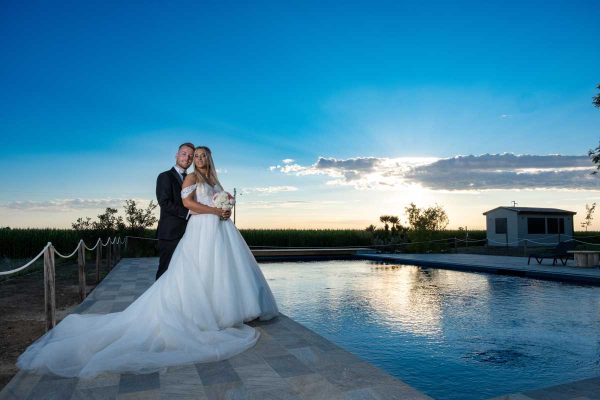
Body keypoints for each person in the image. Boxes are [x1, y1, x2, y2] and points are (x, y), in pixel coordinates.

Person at [16, 146, 279, 378]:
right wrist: (213, 210)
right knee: (187, 272)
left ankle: (222, 309)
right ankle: (183, 313)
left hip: (218, 230)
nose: (196, 158)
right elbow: (185, 203)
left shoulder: (213, 179)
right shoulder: (186, 177)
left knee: (219, 271)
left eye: (200, 155)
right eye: (191, 155)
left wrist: (226, 207)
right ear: (181, 156)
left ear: (208, 159)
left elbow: (219, 199)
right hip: (199, 228)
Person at [155, 142, 194, 280]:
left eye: (190, 156)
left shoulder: (193, 180)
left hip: (190, 233)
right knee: (165, 271)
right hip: (170, 233)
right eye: (184, 154)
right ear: (176, 155)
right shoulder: (164, 176)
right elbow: (164, 202)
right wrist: (188, 213)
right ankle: (157, 301)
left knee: (183, 273)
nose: (187, 158)